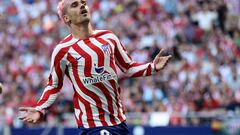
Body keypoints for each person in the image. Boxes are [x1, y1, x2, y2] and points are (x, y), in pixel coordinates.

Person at [18, 0, 171, 134]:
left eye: (83, 2)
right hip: (92, 124)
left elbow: (128, 67)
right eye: (75, 5)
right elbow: (54, 85)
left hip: (119, 121)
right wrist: (40, 108)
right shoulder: (62, 50)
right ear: (66, 18)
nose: (82, 6)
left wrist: (152, 67)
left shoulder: (108, 37)